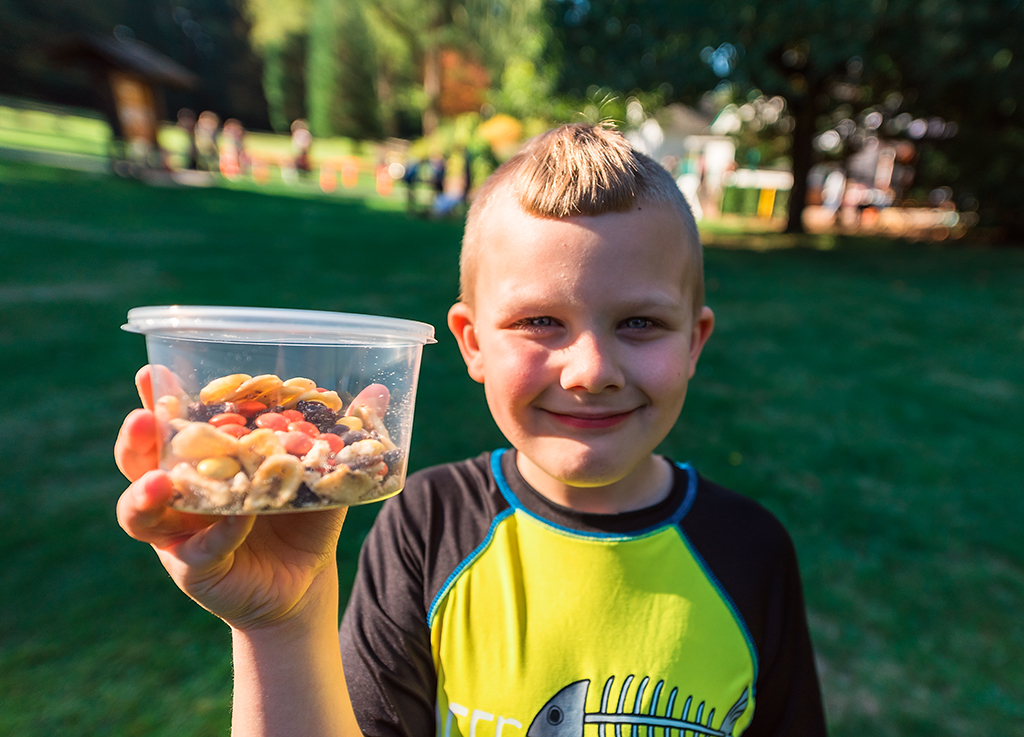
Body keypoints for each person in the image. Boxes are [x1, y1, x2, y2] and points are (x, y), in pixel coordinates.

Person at [115, 123, 827, 736]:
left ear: (695, 342)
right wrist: (281, 624)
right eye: (540, 321)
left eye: (639, 322)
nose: (589, 370)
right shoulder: (425, 527)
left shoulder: (752, 551)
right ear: (472, 342)